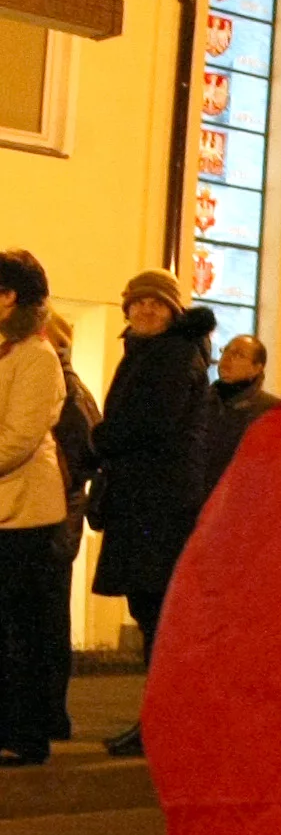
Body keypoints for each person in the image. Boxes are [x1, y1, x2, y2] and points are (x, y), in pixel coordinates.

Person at [89, 271, 214, 757]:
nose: (145, 310)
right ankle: (161, 721)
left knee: (159, 614)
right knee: (153, 613)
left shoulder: (172, 354)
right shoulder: (151, 352)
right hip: (149, 500)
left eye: (155, 304)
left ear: (172, 311)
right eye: (137, 302)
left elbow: (147, 424)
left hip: (157, 504)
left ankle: (163, 724)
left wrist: (97, 442)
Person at [0, 251, 67, 765]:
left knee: (21, 629)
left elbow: (20, 438)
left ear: (9, 299)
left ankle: (26, 736)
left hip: (23, 513)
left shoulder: (36, 355)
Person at [44, 309, 101, 742]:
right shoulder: (71, 388)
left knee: (41, 618)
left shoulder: (66, 390)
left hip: (53, 515)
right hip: (55, 511)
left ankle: (47, 714)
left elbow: (82, 452)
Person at [205, 331, 278, 495]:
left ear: (256, 368)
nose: (227, 359)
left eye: (238, 354)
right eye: (226, 351)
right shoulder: (200, 402)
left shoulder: (270, 411)